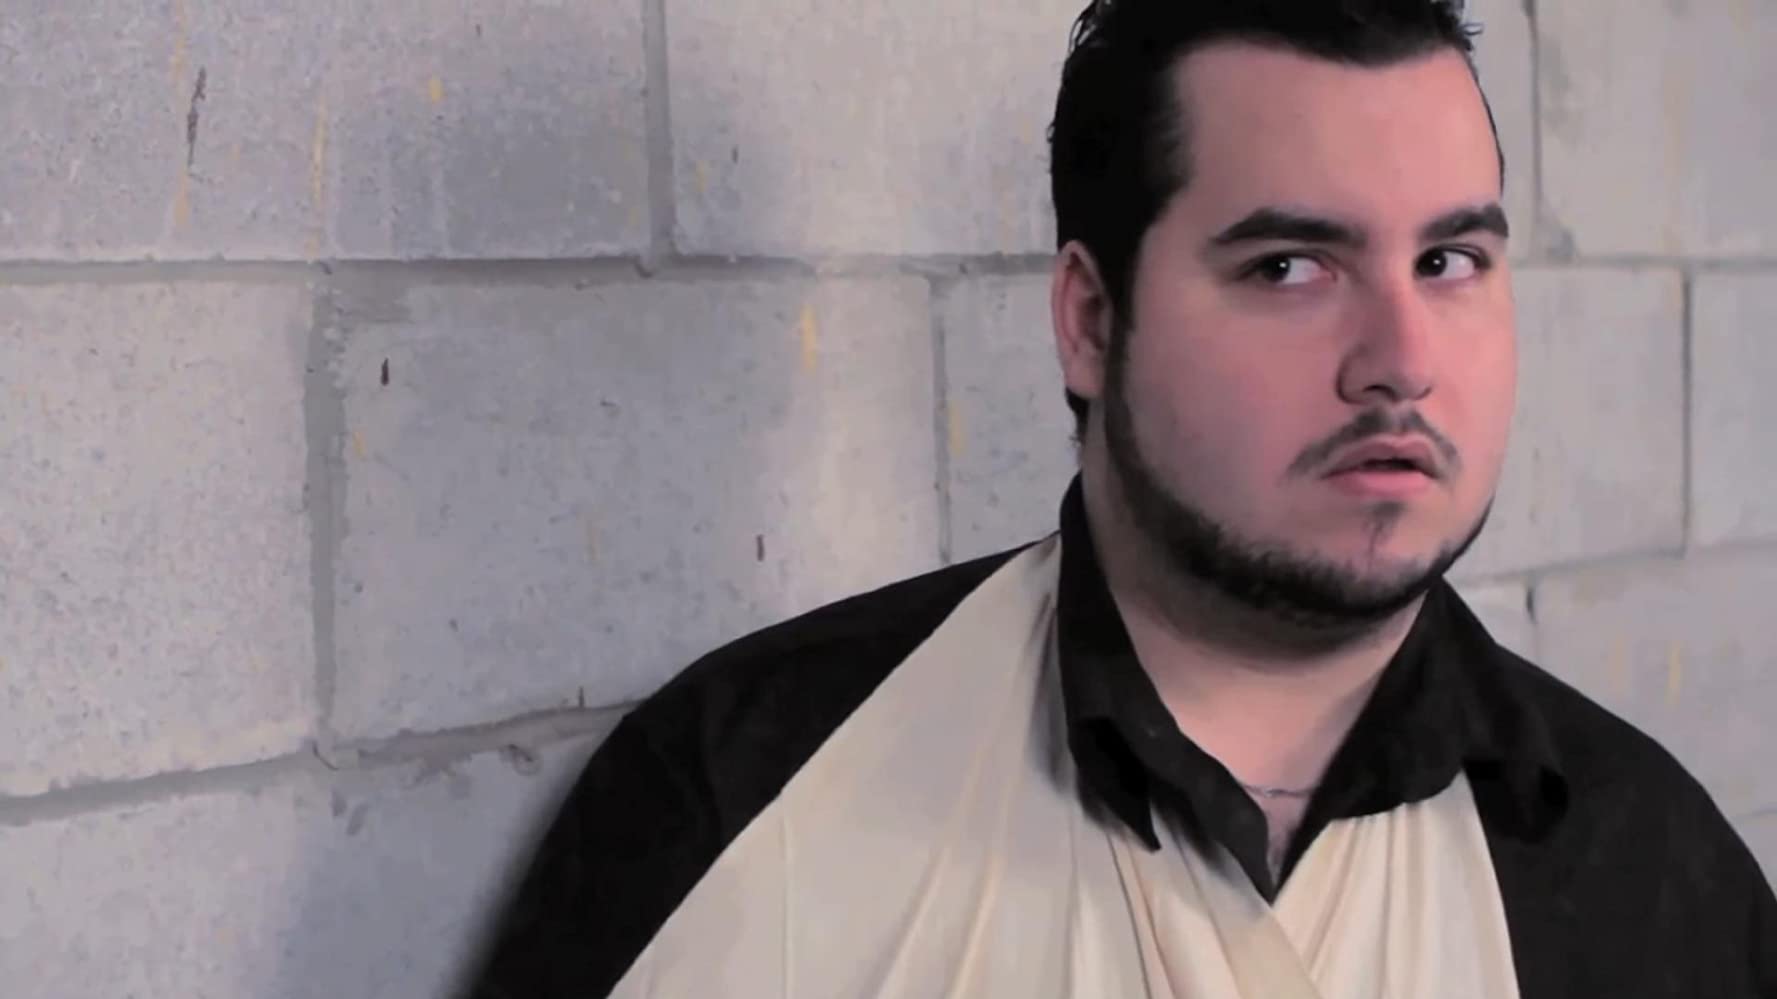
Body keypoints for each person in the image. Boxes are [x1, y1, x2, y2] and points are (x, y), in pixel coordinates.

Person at [468, 2, 1777, 995]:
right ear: (1092, 322)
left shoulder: (1646, 873)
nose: (1400, 360)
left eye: (1447, 260)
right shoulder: (741, 797)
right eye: (1288, 267)